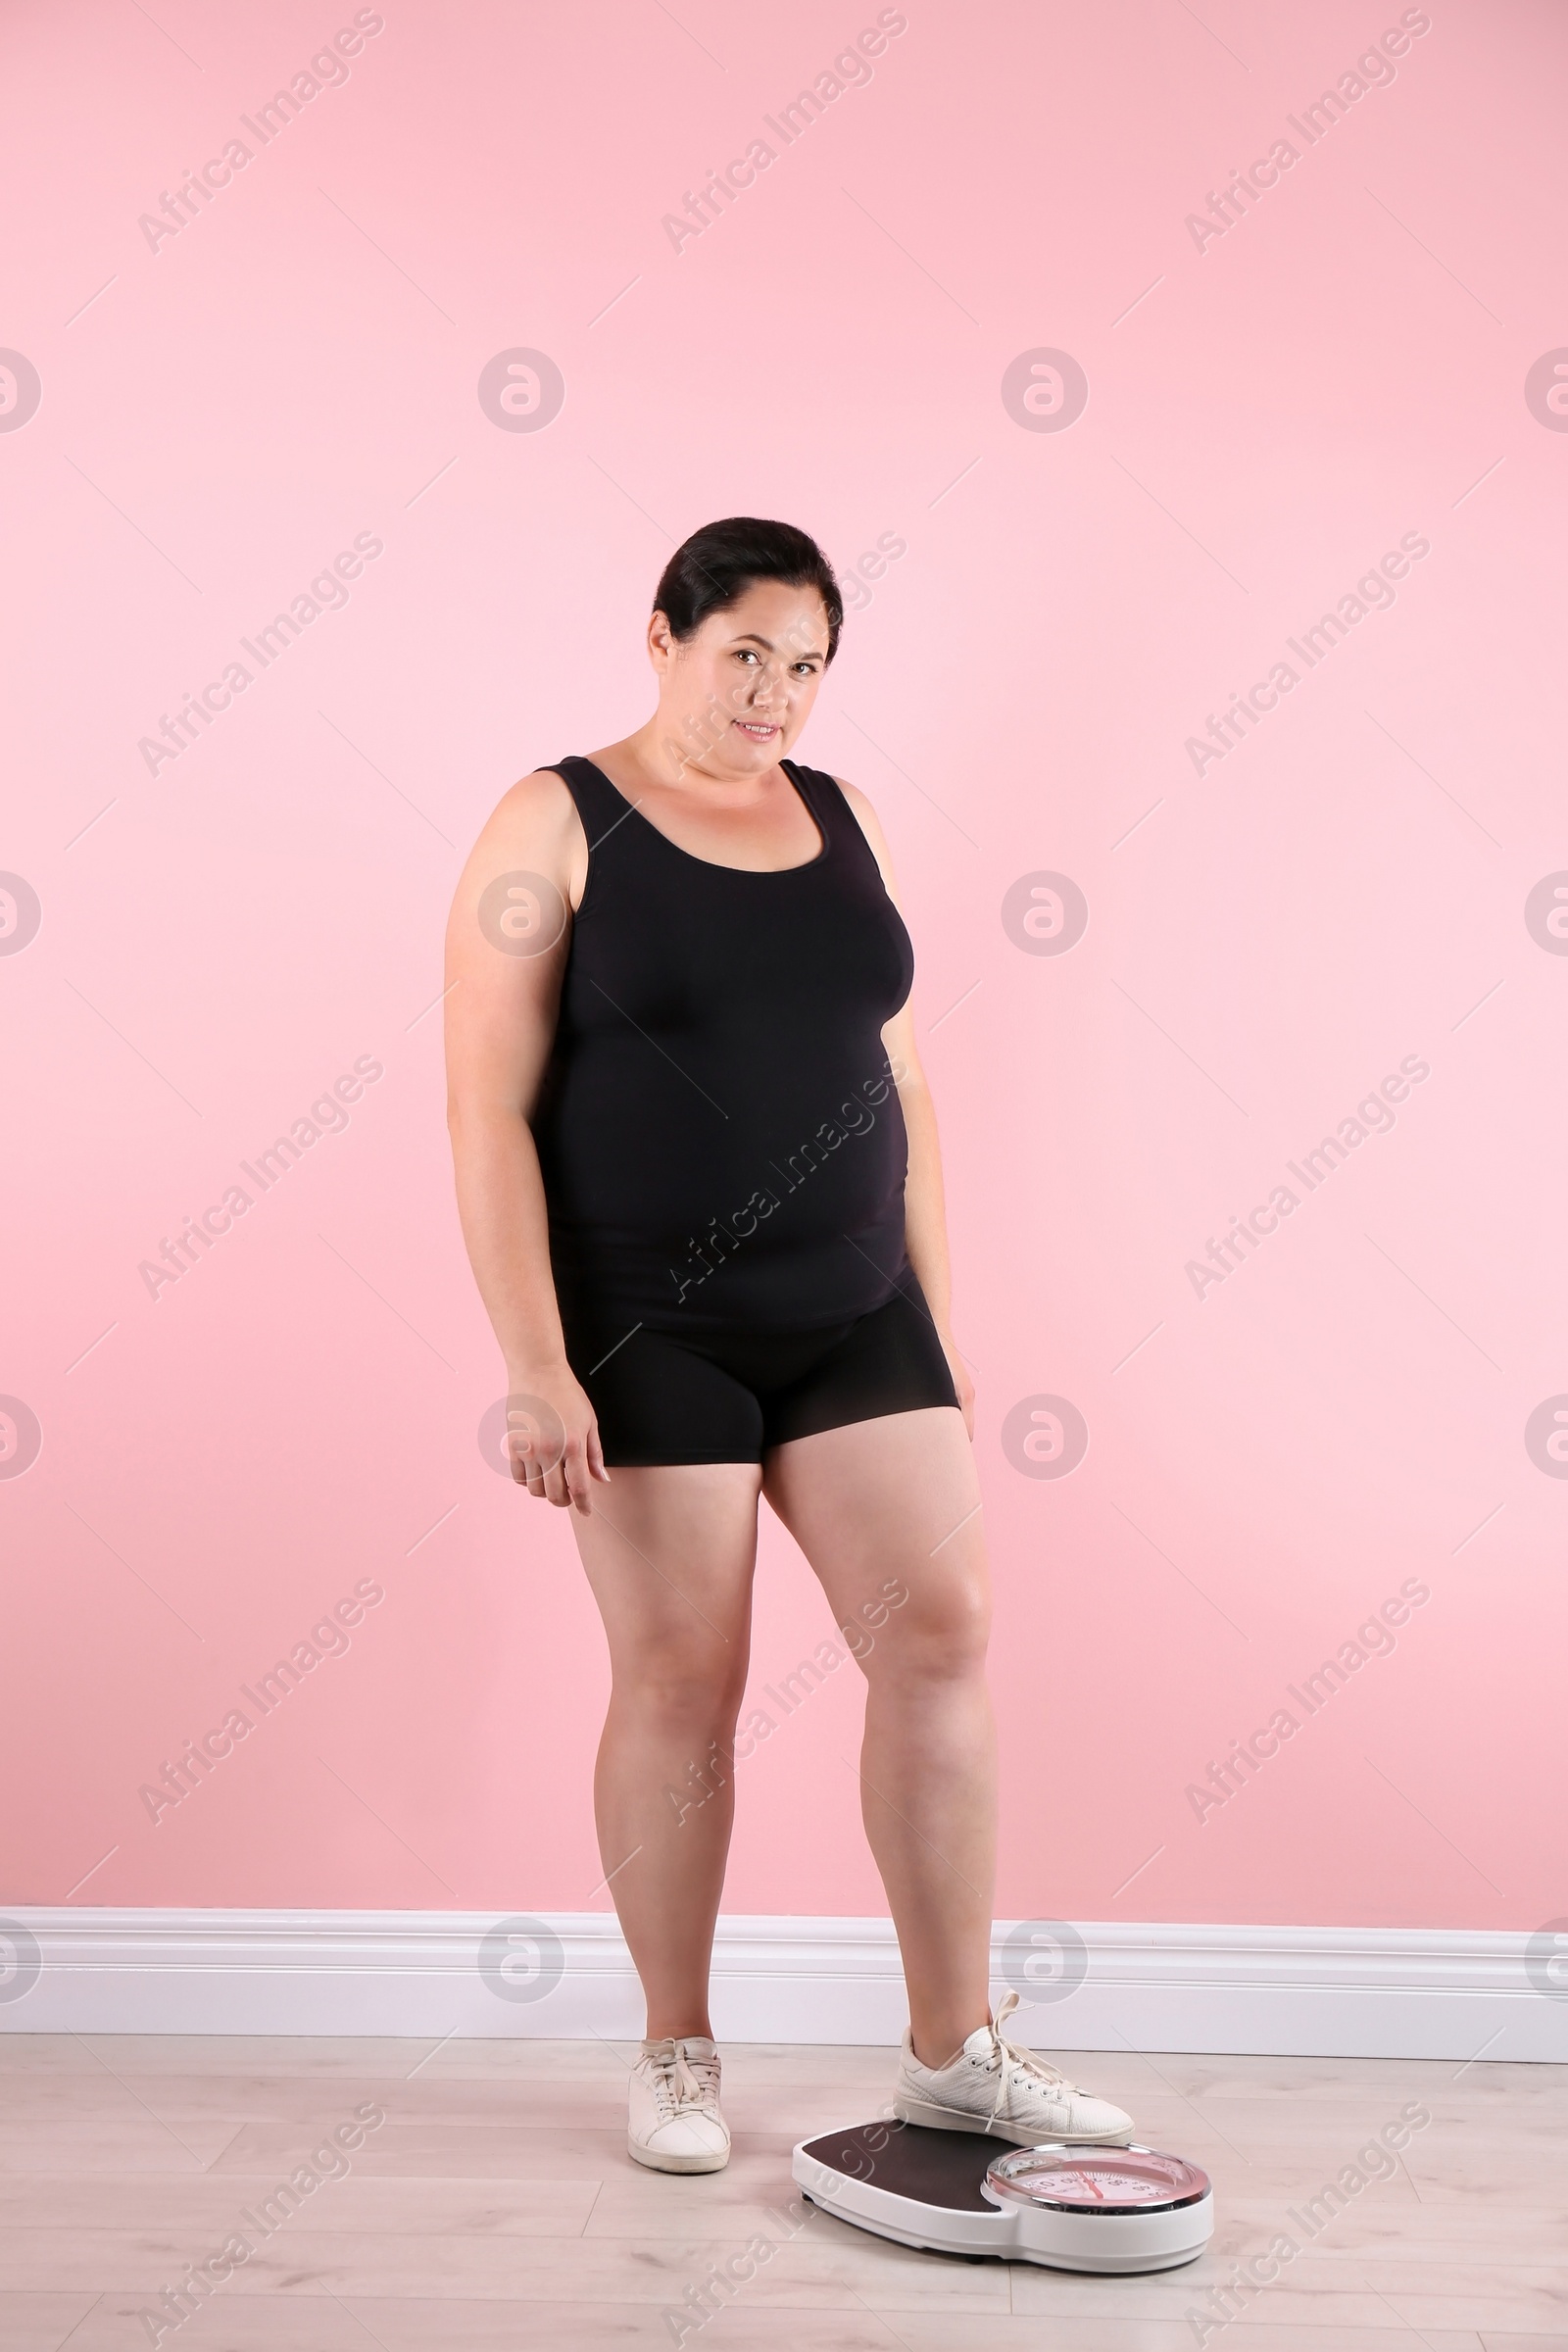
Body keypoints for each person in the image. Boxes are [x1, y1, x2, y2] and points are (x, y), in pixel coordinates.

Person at [444, 516, 1134, 2171]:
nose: (775, 693)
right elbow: (485, 1111)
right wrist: (536, 1362)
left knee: (944, 1636)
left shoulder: (841, 816)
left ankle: (955, 2050)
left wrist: (937, 1331)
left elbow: (897, 1078)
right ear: (665, 634)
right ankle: (678, 2053)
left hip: (854, 1315)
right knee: (686, 1678)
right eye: (744, 651)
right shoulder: (557, 820)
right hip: (644, 1322)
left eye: (808, 665)